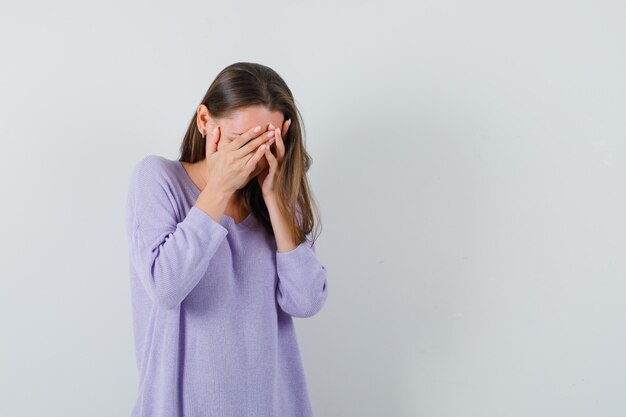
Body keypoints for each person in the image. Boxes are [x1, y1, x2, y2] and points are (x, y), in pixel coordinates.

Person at [124, 62, 329, 417]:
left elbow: (306, 301)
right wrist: (219, 188)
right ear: (205, 121)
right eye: (240, 141)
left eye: (266, 141)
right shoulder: (158, 179)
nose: (252, 156)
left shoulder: (277, 198)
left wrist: (278, 203)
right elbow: (165, 287)